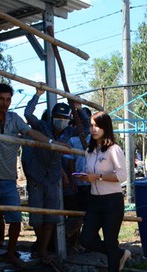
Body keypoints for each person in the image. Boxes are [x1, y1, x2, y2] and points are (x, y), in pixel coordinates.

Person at [0, 72, 51, 269]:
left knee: (15, 218)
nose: (5, 103)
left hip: (9, 179)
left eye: (8, 99)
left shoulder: (14, 118)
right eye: (1, 99)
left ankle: (10, 253)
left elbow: (31, 132)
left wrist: (51, 142)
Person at [23, 87, 89, 262]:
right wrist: (37, 95)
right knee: (37, 217)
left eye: (64, 118)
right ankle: (39, 244)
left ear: (68, 120)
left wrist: (79, 108)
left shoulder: (68, 131)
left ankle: (43, 250)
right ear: (51, 118)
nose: (61, 121)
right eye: (58, 118)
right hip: (37, 175)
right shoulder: (42, 127)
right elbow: (28, 114)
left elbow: (87, 127)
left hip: (53, 177)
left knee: (52, 216)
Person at [77, 112, 130, 272]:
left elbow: (122, 176)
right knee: (85, 239)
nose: (93, 129)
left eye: (97, 126)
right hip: (94, 200)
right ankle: (120, 254)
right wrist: (86, 177)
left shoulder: (113, 149)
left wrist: (98, 177)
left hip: (112, 201)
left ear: (106, 127)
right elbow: (92, 174)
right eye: (91, 125)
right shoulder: (89, 150)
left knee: (110, 241)